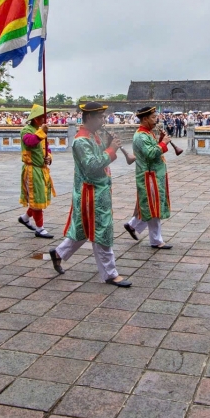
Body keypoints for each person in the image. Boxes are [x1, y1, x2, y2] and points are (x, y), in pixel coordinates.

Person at [48, 101, 132, 287]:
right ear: (90, 118)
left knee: (83, 229)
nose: (104, 120)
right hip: (91, 192)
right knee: (101, 230)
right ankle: (110, 273)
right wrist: (112, 150)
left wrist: (108, 146)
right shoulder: (80, 141)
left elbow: (99, 157)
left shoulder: (94, 136)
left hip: (98, 190)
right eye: (100, 117)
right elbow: (92, 166)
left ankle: (59, 253)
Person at [123, 106, 172, 249]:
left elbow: (152, 150)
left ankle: (132, 225)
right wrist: (163, 144)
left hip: (155, 174)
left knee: (150, 205)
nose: (156, 119)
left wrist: (161, 140)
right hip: (148, 176)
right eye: (153, 117)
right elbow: (150, 154)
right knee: (153, 207)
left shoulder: (148, 133)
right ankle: (156, 240)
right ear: (144, 119)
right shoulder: (141, 136)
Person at [17, 104, 56, 238]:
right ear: (36, 118)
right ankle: (40, 228)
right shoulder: (26, 130)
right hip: (32, 169)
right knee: (37, 198)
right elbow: (30, 142)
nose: (45, 119)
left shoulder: (40, 130)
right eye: (42, 117)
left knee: (39, 197)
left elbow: (47, 148)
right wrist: (42, 132)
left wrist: (49, 158)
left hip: (41, 169)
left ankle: (25, 218)